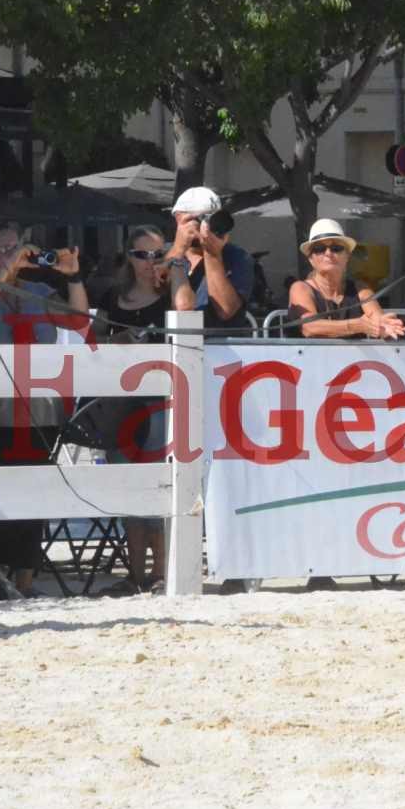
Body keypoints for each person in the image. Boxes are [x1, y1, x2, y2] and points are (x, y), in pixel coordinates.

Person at [0, 222, 91, 600]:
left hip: (39, 412)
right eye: (3, 248)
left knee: (34, 494)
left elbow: (80, 321)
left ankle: (26, 580)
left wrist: (74, 276)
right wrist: (3, 272)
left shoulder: (39, 292)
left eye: (17, 247)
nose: (14, 254)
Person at [93, 226, 187, 596]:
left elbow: (188, 310)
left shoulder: (170, 297)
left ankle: (163, 570)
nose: (151, 262)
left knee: (158, 485)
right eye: (143, 254)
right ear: (128, 257)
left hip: (160, 399)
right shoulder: (113, 296)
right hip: (120, 398)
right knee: (128, 486)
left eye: (157, 253)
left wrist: (176, 269)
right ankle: (135, 573)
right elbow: (93, 341)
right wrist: (113, 340)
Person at [287, 219, 405, 340]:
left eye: (336, 248)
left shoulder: (361, 289)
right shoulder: (300, 288)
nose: (328, 253)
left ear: (347, 256)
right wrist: (356, 326)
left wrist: (386, 327)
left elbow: (378, 321)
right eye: (319, 249)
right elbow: (309, 327)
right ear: (311, 259)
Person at [164, 189, 254, 331]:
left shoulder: (237, 257)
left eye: (210, 219)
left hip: (221, 347)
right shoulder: (160, 253)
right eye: (197, 218)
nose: (205, 225)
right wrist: (178, 251)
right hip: (167, 345)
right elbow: (153, 289)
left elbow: (226, 310)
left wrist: (212, 254)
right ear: (178, 218)